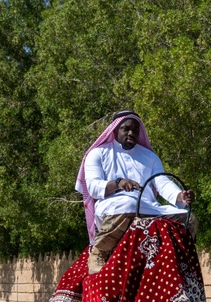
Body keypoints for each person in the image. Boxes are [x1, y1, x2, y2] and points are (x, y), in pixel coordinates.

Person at [75, 110, 195, 272]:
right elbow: (93, 188)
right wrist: (118, 183)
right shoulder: (98, 153)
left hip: (149, 208)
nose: (131, 133)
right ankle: (100, 252)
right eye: (126, 129)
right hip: (113, 207)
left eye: (135, 130)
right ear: (115, 129)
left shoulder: (149, 157)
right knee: (129, 202)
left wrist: (180, 196)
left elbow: (162, 183)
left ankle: (182, 262)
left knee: (189, 217)